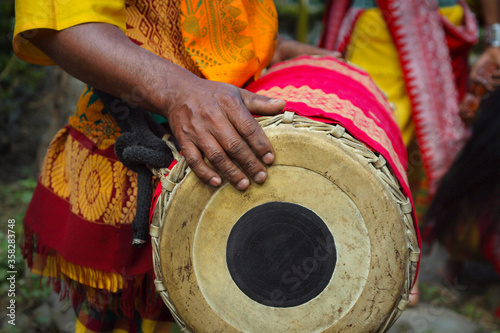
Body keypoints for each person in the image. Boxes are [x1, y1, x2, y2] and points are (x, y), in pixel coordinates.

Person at [13, 0, 337, 330]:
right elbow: (65, 26)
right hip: (137, 163)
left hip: (232, 159)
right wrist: (178, 93)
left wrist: (268, 46)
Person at [319, 0, 500, 305]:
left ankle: (396, 269)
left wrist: (495, 37)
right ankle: (349, 262)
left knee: (420, 155)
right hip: (382, 27)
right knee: (369, 150)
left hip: (442, 29)